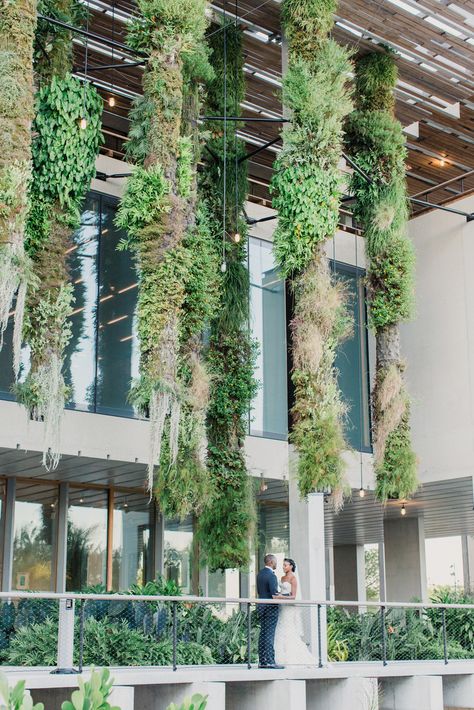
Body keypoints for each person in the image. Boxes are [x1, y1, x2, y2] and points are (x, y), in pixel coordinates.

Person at [274, 558, 316, 666]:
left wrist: (281, 597)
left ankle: (292, 656)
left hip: (289, 607)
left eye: (286, 565)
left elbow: (293, 596)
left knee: (288, 629)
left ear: (291, 566)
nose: (283, 567)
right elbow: (282, 591)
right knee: (280, 628)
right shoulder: (282, 578)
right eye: (283, 565)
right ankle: (278, 657)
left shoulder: (293, 578)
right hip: (282, 607)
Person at [256, 553, 284, 669]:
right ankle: (270, 661)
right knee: (269, 635)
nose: (277, 564)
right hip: (270, 608)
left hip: (261, 607)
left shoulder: (260, 574)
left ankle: (262, 661)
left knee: (263, 634)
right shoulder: (272, 576)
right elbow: (274, 594)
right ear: (271, 562)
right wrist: (285, 596)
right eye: (276, 561)